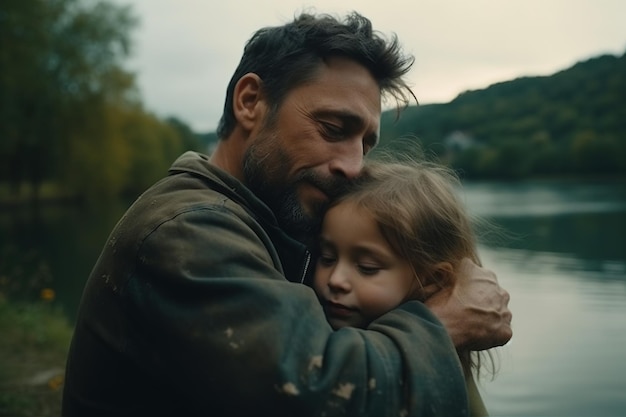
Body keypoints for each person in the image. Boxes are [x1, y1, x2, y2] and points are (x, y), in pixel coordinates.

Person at [62, 11, 512, 417]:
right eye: (333, 129)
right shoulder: (189, 229)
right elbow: (316, 395)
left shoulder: (262, 218)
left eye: (365, 144)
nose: (354, 167)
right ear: (251, 101)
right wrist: (441, 323)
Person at [312, 159, 499, 416]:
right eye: (327, 257)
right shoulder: (310, 334)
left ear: (434, 280)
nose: (335, 280)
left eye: (367, 267)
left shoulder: (442, 372)